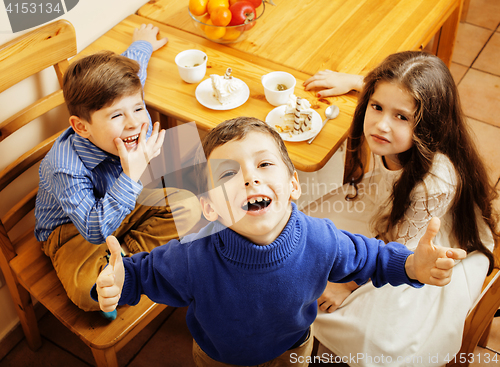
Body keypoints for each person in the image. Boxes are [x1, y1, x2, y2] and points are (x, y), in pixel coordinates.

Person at [94, 117, 466, 367]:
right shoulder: (193, 258)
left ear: (293, 186)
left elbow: (372, 258)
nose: (250, 179)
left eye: (264, 164)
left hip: (295, 350)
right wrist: (117, 281)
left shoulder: (321, 240)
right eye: (228, 173)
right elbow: (143, 274)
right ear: (209, 207)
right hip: (218, 358)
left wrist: (411, 266)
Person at [302, 51, 498, 365]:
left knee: (375, 339)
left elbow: (402, 250)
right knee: (304, 236)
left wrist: (348, 284)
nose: (381, 125)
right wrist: (352, 82)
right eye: (376, 107)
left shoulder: (434, 182)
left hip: (420, 242)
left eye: (401, 117)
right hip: (386, 203)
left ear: (428, 125)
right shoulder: (394, 131)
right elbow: (389, 91)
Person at [34, 24, 201, 314]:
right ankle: (113, 264)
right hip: (74, 231)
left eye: (138, 108)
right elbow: (94, 230)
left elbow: (137, 73)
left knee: (189, 205)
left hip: (121, 206)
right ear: (81, 127)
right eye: (116, 115)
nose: (134, 122)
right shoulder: (62, 166)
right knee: (90, 294)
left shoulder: (127, 104)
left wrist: (143, 44)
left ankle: (124, 261)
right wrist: (131, 175)